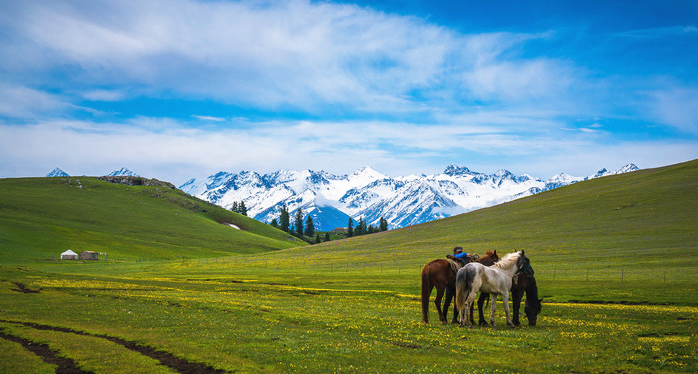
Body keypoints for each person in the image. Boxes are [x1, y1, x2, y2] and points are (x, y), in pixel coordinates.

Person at [444, 246, 470, 323]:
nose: (460, 253)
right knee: (447, 302)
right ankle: (444, 318)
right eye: (458, 252)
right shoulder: (452, 258)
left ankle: (454, 318)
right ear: (454, 252)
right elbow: (454, 256)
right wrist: (465, 254)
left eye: (461, 252)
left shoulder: (462, 258)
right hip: (451, 285)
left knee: (456, 302)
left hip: (457, 285)